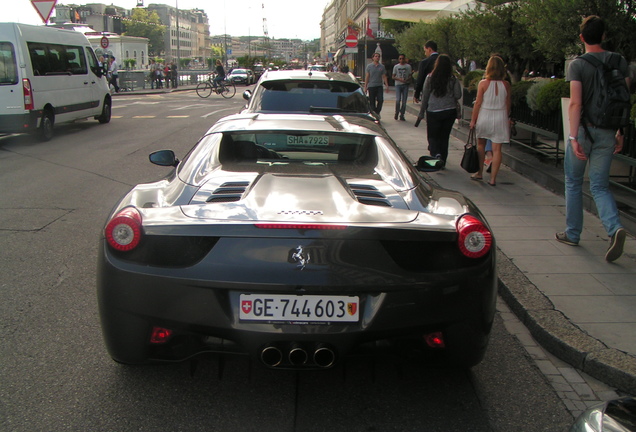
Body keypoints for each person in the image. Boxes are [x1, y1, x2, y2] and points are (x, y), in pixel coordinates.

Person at [555, 15, 630, 262]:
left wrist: (574, 136)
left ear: (581, 37)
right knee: (599, 185)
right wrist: (620, 131)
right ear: (604, 36)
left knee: (574, 181)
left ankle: (573, 233)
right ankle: (614, 227)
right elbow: (623, 99)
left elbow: (575, 103)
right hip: (609, 131)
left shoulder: (577, 65)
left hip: (584, 130)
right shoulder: (619, 62)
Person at [469, 55, 511, 186]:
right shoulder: (506, 84)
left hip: (485, 114)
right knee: (497, 149)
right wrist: (507, 116)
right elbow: (508, 103)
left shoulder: (483, 83)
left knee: (481, 145)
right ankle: (493, 179)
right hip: (500, 116)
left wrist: (473, 120)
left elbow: (478, 103)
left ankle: (480, 172)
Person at [416, 54, 462, 165]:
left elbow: (425, 96)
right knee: (444, 137)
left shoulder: (430, 77)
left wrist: (421, 112)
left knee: (432, 136)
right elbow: (458, 95)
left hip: (433, 111)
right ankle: (443, 160)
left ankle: (435, 156)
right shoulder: (453, 79)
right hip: (449, 111)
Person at [392, 54, 412, 121]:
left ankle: (402, 114)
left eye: (402, 58)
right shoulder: (396, 66)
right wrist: (399, 79)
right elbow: (393, 76)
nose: (401, 60)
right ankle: (397, 112)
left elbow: (410, 75)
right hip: (398, 84)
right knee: (398, 100)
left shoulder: (408, 66)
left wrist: (407, 80)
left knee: (404, 101)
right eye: (400, 58)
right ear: (398, 59)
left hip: (405, 84)